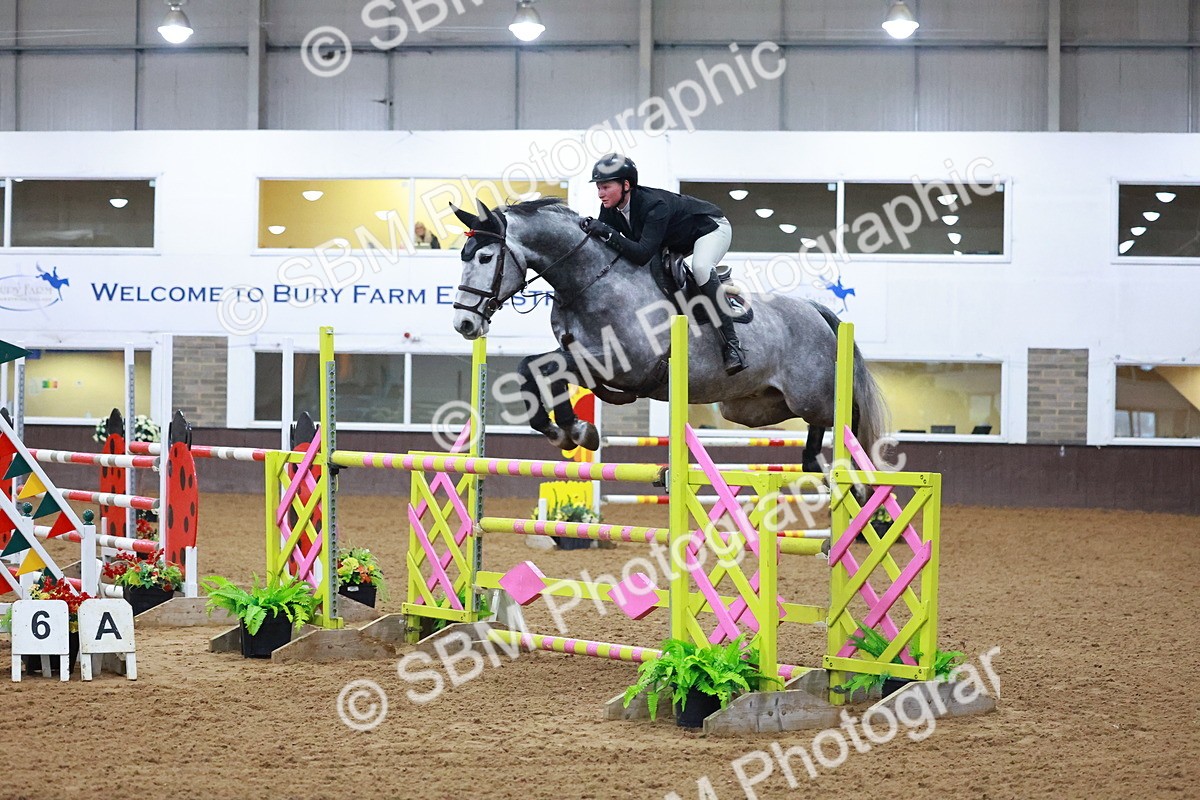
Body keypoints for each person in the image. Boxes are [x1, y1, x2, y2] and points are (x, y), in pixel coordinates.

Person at [580, 153, 746, 375]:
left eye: (606, 187)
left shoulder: (654, 206)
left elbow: (641, 254)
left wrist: (608, 233)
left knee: (701, 267)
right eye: (598, 187)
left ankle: (733, 346)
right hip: (674, 237)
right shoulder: (610, 208)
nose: (600, 194)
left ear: (626, 185)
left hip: (710, 229)